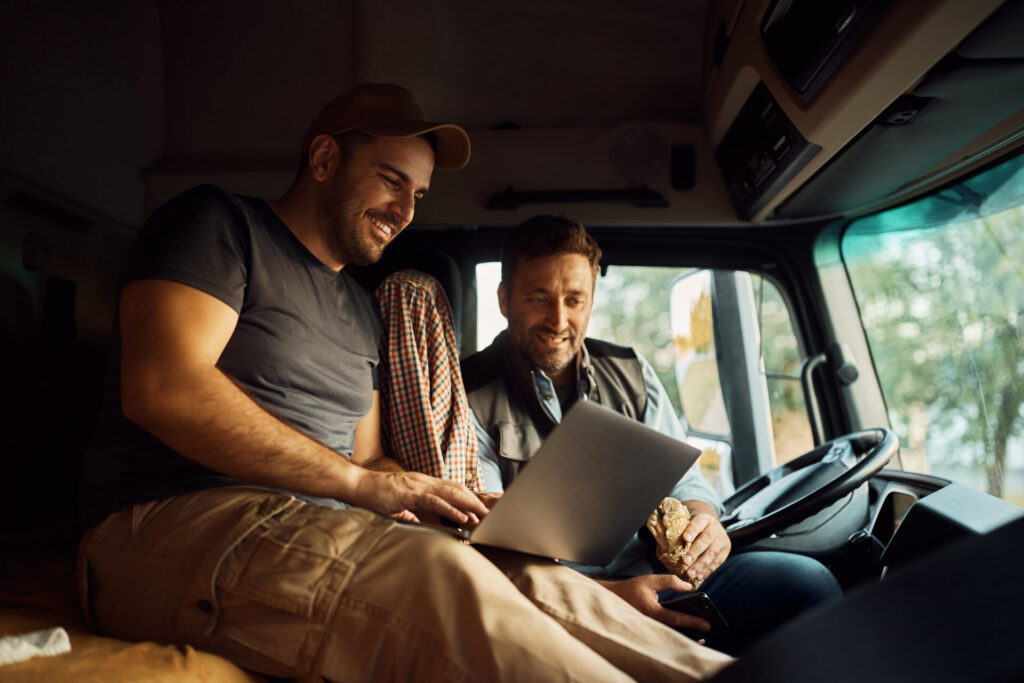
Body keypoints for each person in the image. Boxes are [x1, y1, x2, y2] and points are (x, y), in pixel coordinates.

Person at [75, 83, 733, 681]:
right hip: (177, 519)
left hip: (317, 523)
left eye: (417, 195)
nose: (405, 210)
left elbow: (366, 458)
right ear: (325, 159)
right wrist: (363, 485)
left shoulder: (360, 309)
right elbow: (163, 386)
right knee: (439, 572)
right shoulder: (218, 225)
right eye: (391, 181)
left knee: (501, 564)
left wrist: (446, 498)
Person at [461, 214, 843, 655]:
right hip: (554, 605)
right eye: (539, 298)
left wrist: (707, 521)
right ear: (505, 299)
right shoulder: (466, 392)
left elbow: (686, 478)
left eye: (575, 300)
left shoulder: (631, 370)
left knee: (807, 585)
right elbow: (488, 549)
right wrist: (604, 596)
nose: (559, 319)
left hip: (662, 576)